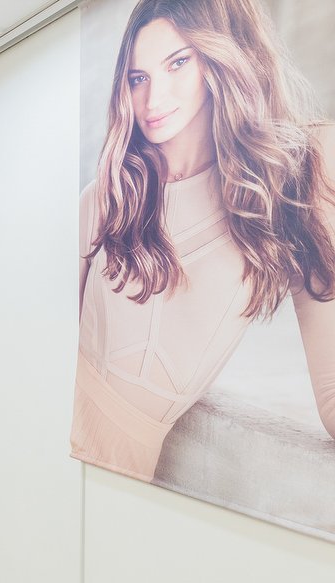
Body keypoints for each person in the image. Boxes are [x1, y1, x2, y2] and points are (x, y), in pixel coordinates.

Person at [73, 0, 335, 481]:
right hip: (42, 423)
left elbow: (331, 391)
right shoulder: (111, 193)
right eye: (138, 77)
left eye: (177, 63)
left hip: (117, 467)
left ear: (222, 57)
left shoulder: (289, 181)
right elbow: (43, 339)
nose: (153, 99)